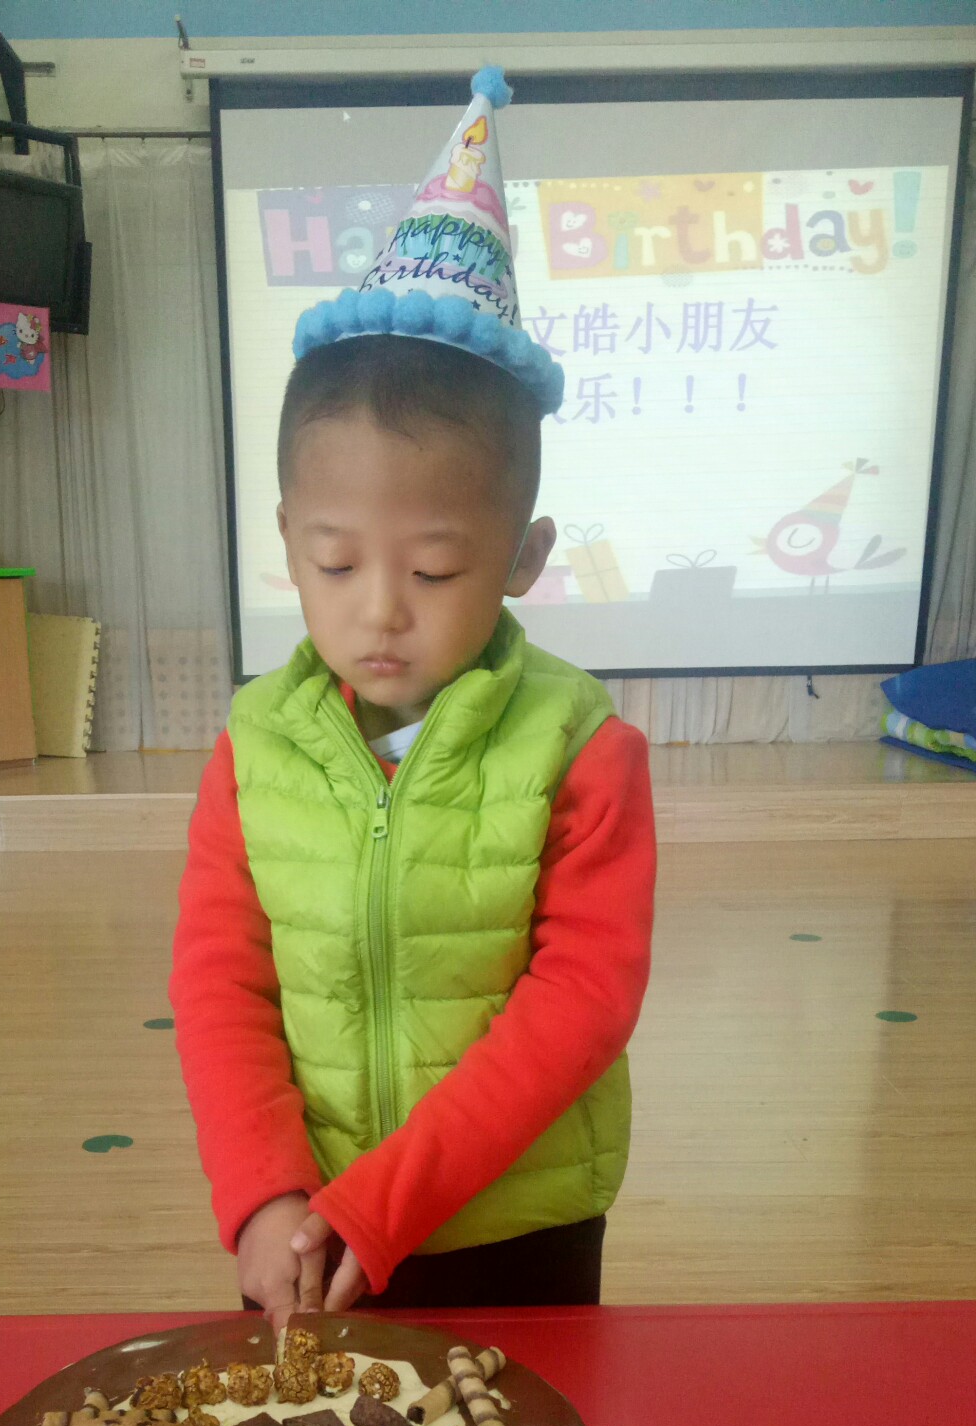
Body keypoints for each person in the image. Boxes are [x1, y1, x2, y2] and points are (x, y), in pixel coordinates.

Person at [170, 69, 656, 1328]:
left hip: (518, 1228)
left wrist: (388, 1199)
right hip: (307, 1231)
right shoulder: (254, 748)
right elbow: (221, 989)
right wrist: (263, 1194)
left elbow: (581, 1007)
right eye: (337, 562)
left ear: (524, 557)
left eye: (434, 569)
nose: (380, 609)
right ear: (290, 539)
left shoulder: (581, 749)